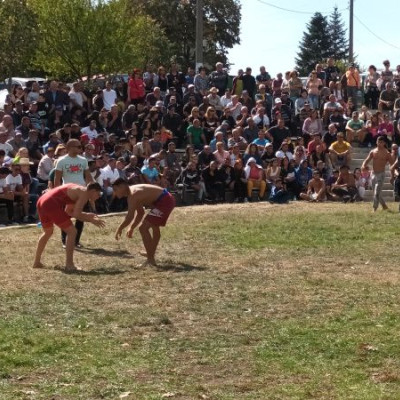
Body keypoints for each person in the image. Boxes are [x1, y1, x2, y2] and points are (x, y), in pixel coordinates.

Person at [33, 183, 105, 271]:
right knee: (72, 232)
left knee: (48, 232)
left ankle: (37, 262)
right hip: (50, 203)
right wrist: (91, 220)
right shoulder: (84, 194)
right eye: (98, 194)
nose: (98, 197)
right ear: (93, 191)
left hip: (42, 200)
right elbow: (76, 214)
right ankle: (69, 265)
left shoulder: (77, 190)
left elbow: (69, 211)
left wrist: (87, 215)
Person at [113, 180, 176, 266]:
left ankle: (150, 259)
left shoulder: (133, 194)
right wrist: (131, 227)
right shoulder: (133, 193)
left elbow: (129, 217)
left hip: (165, 201)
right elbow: (140, 212)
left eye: (115, 190)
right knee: (153, 226)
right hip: (164, 199)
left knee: (143, 228)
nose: (115, 193)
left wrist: (119, 229)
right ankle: (151, 253)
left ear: (122, 187)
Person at [55, 139, 94, 248]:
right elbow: (57, 179)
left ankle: (76, 241)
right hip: (67, 192)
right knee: (65, 216)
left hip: (81, 192)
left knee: (80, 216)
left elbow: (88, 176)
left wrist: (91, 189)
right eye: (78, 147)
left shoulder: (83, 160)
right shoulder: (61, 161)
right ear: (70, 147)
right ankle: (64, 241)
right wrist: (57, 194)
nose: (80, 149)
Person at [362, 136, 393, 211]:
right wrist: (363, 165)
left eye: (381, 142)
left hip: (381, 174)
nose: (379, 143)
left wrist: (393, 175)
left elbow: (392, 165)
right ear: (376, 142)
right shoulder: (373, 151)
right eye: (378, 142)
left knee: (376, 192)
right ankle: (384, 206)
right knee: (376, 193)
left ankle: (374, 208)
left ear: (384, 143)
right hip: (373, 174)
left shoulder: (387, 153)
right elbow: (367, 160)